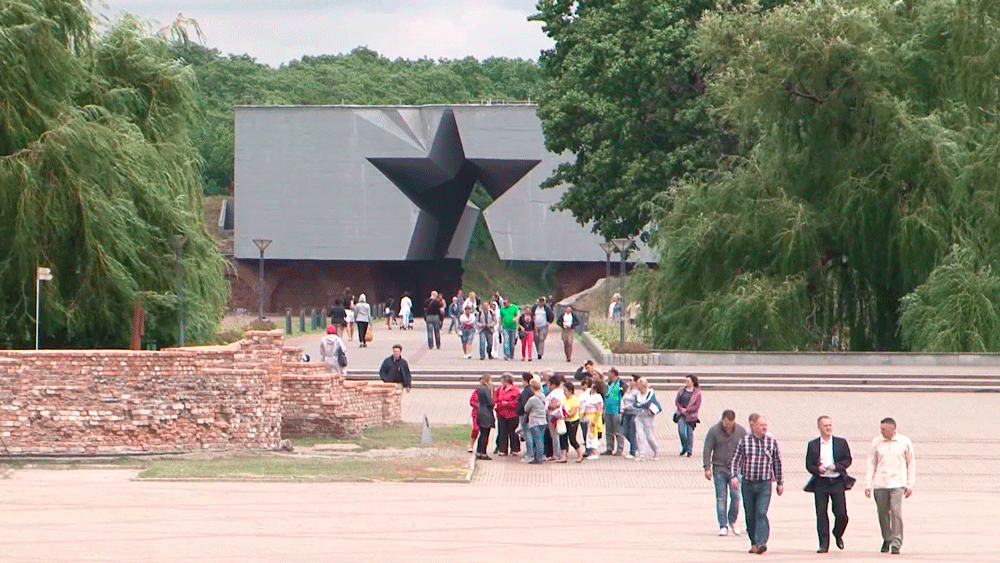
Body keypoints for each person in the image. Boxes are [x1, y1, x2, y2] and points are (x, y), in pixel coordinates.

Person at [730, 415, 784, 555]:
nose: (764, 427)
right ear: (753, 426)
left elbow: (777, 462)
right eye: (761, 425)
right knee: (750, 515)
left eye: (765, 425)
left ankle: (762, 542)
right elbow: (736, 460)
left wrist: (780, 482)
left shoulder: (771, 442)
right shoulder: (744, 441)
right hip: (748, 483)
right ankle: (753, 542)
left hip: (765, 484)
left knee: (761, 512)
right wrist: (734, 477)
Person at [864, 417, 915, 555]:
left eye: (883, 429)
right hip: (880, 483)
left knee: (896, 511)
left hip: (898, 483)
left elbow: (911, 463)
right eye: (880, 429)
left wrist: (910, 484)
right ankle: (887, 538)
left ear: (892, 430)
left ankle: (896, 542)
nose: (881, 432)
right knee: (882, 513)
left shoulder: (904, 441)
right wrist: (868, 484)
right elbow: (871, 463)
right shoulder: (877, 442)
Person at [805, 415, 855, 553]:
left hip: (837, 481)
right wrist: (817, 469)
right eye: (825, 425)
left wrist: (836, 466)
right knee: (821, 513)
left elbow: (848, 460)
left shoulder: (840, 442)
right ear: (819, 427)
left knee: (841, 514)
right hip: (821, 482)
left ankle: (838, 533)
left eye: (830, 425)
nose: (828, 428)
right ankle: (823, 544)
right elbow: (809, 465)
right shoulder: (813, 444)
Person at [703, 410, 747, 537]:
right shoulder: (714, 431)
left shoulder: (740, 431)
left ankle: (732, 520)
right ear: (722, 420)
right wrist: (707, 467)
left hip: (735, 470)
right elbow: (707, 449)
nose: (728, 426)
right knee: (721, 498)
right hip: (719, 469)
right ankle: (723, 525)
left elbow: (746, 449)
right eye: (726, 424)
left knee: (736, 496)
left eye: (731, 424)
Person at [674, 375, 703, 457]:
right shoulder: (681, 390)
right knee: (681, 431)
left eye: (688, 381)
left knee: (690, 433)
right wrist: (681, 409)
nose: (686, 383)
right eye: (686, 381)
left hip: (691, 416)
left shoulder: (697, 393)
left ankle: (689, 450)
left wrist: (687, 410)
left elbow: (697, 406)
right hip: (681, 414)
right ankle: (685, 447)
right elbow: (677, 402)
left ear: (693, 382)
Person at [492, 373, 520, 456]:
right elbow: (495, 398)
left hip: (512, 414)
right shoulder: (500, 389)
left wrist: (508, 403)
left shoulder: (515, 390)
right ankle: (502, 449)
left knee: (513, 432)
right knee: (502, 432)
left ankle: (515, 449)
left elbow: (517, 402)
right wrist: (497, 403)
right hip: (501, 413)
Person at [522, 378, 547, 464]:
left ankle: (538, 458)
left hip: (535, 421)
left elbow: (526, 409)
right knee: (540, 439)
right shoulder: (543, 396)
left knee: (537, 440)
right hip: (543, 420)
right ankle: (539, 457)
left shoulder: (532, 399)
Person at [603, 367, 626, 456]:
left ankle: (619, 449)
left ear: (614, 374)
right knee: (608, 431)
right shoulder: (608, 383)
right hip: (608, 410)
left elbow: (624, 395)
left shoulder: (621, 384)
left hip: (616, 410)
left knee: (618, 431)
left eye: (609, 372)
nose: (607, 374)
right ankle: (609, 448)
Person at [545, 374, 567, 462]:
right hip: (557, 415)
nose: (549, 386)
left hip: (554, 415)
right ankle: (556, 453)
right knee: (555, 435)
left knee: (555, 435)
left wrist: (547, 406)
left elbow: (553, 405)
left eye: (550, 384)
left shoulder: (555, 393)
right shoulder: (561, 391)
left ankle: (557, 454)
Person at [561, 381, 584, 461]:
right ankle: (564, 456)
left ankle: (580, 455)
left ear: (570, 391)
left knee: (572, 439)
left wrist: (565, 414)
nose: (564, 392)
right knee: (563, 438)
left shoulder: (574, 399)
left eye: (565, 390)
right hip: (565, 421)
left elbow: (573, 413)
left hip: (572, 421)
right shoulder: (564, 399)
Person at [474, 375, 495, 460]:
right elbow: (489, 402)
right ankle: (483, 452)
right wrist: (493, 404)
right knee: (485, 434)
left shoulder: (480, 389)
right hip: (486, 413)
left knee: (482, 433)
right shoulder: (487, 389)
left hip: (480, 411)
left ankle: (479, 451)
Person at [621, 375, 640, 458]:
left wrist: (627, 407)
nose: (629, 381)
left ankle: (632, 451)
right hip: (626, 412)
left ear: (636, 382)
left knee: (632, 432)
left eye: (631, 380)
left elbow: (637, 403)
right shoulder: (628, 390)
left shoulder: (637, 392)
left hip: (634, 413)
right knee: (625, 432)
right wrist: (622, 406)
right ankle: (636, 445)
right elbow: (623, 399)